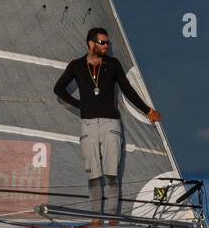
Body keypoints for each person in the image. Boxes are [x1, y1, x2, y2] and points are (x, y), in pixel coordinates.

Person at [53, 27, 162, 214]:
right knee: (93, 175)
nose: (106, 46)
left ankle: (112, 217)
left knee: (111, 174)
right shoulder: (76, 65)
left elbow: (128, 90)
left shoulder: (113, 64)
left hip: (111, 124)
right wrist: (79, 104)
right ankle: (96, 217)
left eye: (107, 42)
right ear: (91, 43)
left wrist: (148, 111)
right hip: (88, 125)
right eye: (102, 42)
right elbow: (58, 89)